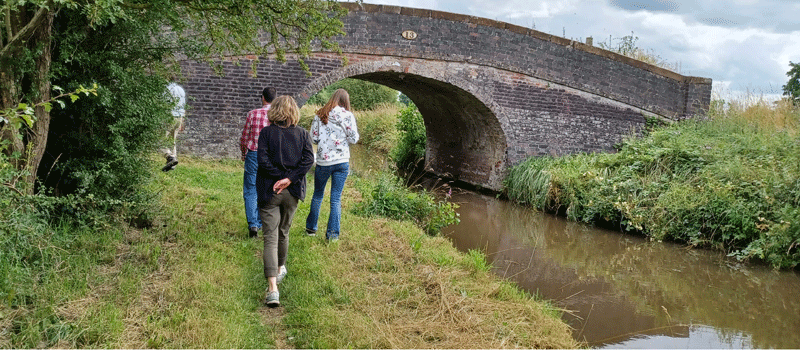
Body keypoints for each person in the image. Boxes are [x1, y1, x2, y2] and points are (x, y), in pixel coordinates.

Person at [256, 95, 314, 307]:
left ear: (275, 111)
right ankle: (280, 269)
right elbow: (309, 160)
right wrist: (289, 179)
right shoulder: (303, 134)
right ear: (294, 112)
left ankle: (273, 289)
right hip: (293, 190)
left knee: (270, 236)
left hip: (269, 190)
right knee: (284, 232)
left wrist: (278, 179)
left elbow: (262, 160)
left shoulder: (266, 133)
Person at [305, 89, 360, 242]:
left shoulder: (320, 114)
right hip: (342, 161)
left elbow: (313, 139)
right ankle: (333, 235)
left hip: (324, 161)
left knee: (318, 194)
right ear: (345, 101)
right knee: (335, 199)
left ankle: (311, 228)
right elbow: (354, 139)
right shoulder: (348, 116)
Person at [240, 87, 277, 238]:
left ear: (263, 98)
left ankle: (253, 225)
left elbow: (244, 137)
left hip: (253, 154)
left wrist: (244, 153)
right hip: (270, 157)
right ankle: (263, 222)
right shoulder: (277, 116)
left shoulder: (252, 114)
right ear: (275, 99)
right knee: (267, 188)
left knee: (250, 189)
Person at [161, 82, 186, 172]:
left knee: (160, 139)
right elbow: (183, 106)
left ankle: (169, 157)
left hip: (169, 116)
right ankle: (172, 165)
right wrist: (182, 121)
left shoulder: (166, 89)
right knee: (172, 140)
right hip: (179, 117)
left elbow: (163, 104)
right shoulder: (181, 90)